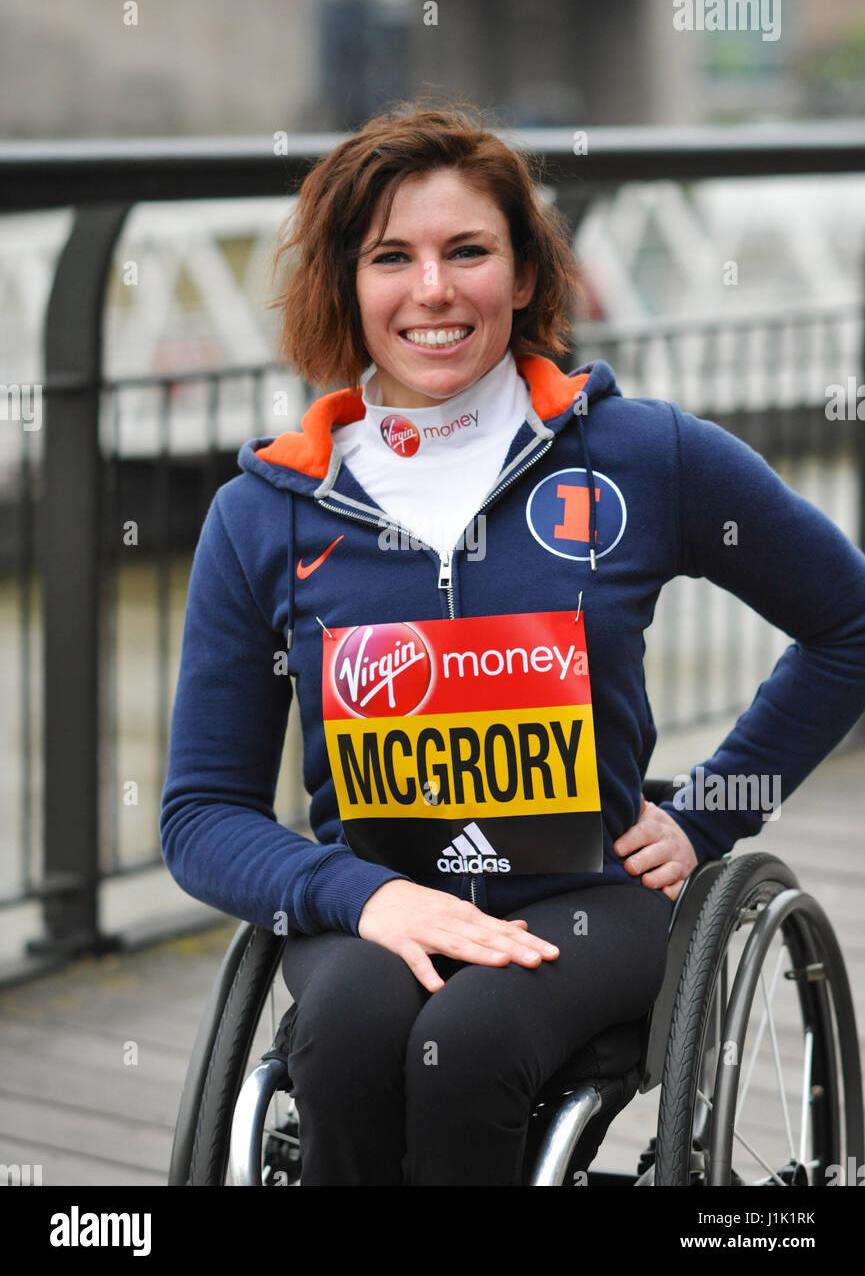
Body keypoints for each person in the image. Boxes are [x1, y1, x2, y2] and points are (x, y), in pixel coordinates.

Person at [160, 100, 865, 1187]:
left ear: (526, 277)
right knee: (342, 1041)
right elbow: (200, 814)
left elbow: (847, 623)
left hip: (591, 897)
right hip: (377, 895)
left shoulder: (644, 456)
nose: (433, 289)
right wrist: (364, 897)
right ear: (346, 284)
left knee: (472, 1046)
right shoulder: (264, 513)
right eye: (391, 256)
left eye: (467, 251)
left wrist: (712, 809)